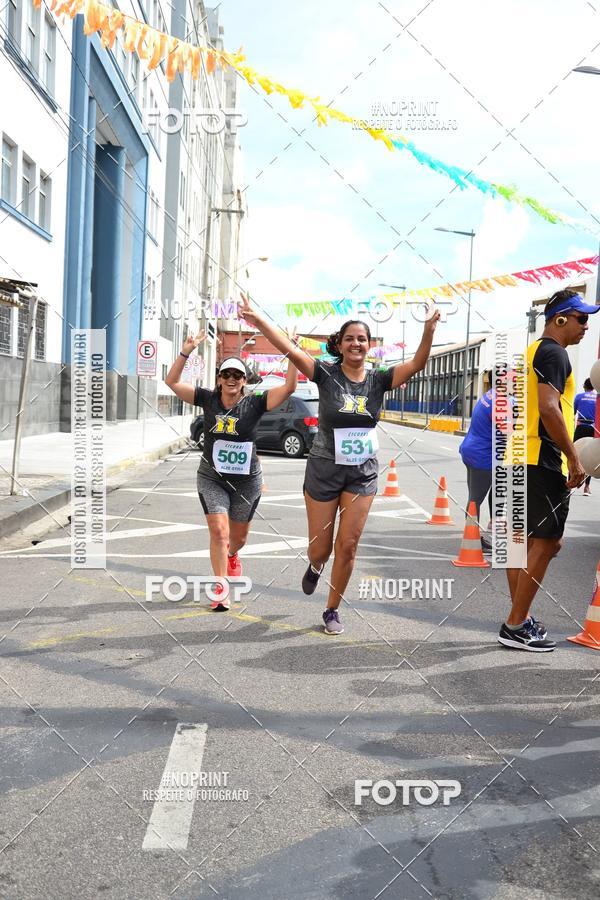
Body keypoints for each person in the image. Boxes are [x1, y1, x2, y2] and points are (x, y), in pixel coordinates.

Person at [238, 292, 440, 635]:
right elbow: (291, 349)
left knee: (348, 545)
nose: (356, 344)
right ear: (341, 345)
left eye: (362, 339)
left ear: (369, 346)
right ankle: (316, 566)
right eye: (350, 339)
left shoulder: (380, 379)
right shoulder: (325, 374)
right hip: (323, 469)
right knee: (322, 547)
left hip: (361, 473)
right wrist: (258, 321)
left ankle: (332, 610)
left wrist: (429, 330)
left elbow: (418, 363)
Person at [165, 330, 298, 611]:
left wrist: (291, 351)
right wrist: (185, 351)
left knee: (237, 539)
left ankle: (233, 556)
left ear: (244, 381)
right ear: (219, 380)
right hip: (212, 478)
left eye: (237, 376)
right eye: (227, 375)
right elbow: (172, 382)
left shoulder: (255, 403)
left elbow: (288, 388)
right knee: (219, 532)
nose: (232, 380)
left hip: (247, 482)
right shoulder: (208, 399)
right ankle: (220, 588)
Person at [499, 289, 599, 652]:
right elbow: (549, 408)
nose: (586, 326)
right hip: (541, 458)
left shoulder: (531, 351)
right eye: (581, 318)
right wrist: (574, 457)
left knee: (517, 542)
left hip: (516, 455)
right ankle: (514, 624)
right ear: (560, 318)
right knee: (549, 542)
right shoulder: (555, 353)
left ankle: (518, 620)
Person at [458, 371, 494, 552]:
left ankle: (474, 533)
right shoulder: (500, 402)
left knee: (475, 497)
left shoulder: (488, 396)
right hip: (482, 456)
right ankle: (473, 538)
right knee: (475, 499)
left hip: (471, 450)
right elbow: (509, 433)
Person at [574, 377, 597, 496]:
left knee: (574, 453)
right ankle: (587, 487)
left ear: (584, 386)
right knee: (590, 457)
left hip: (581, 427)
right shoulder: (597, 399)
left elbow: (573, 413)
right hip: (592, 428)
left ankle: (571, 481)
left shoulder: (579, 396)